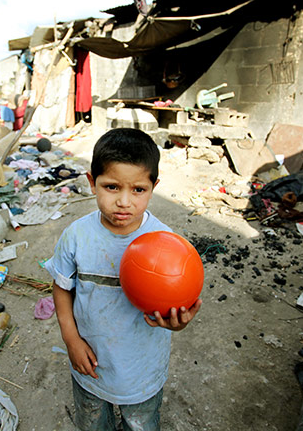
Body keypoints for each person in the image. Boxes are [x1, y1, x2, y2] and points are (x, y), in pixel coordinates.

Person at [45, 127, 202, 430]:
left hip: (141, 369)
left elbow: (177, 303)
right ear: (92, 182)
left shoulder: (167, 245)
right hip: (89, 361)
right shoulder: (76, 237)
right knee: (92, 421)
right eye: (112, 187)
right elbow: (62, 287)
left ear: (154, 186)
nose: (124, 202)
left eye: (138, 190)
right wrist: (71, 338)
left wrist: (178, 322)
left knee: (141, 422)